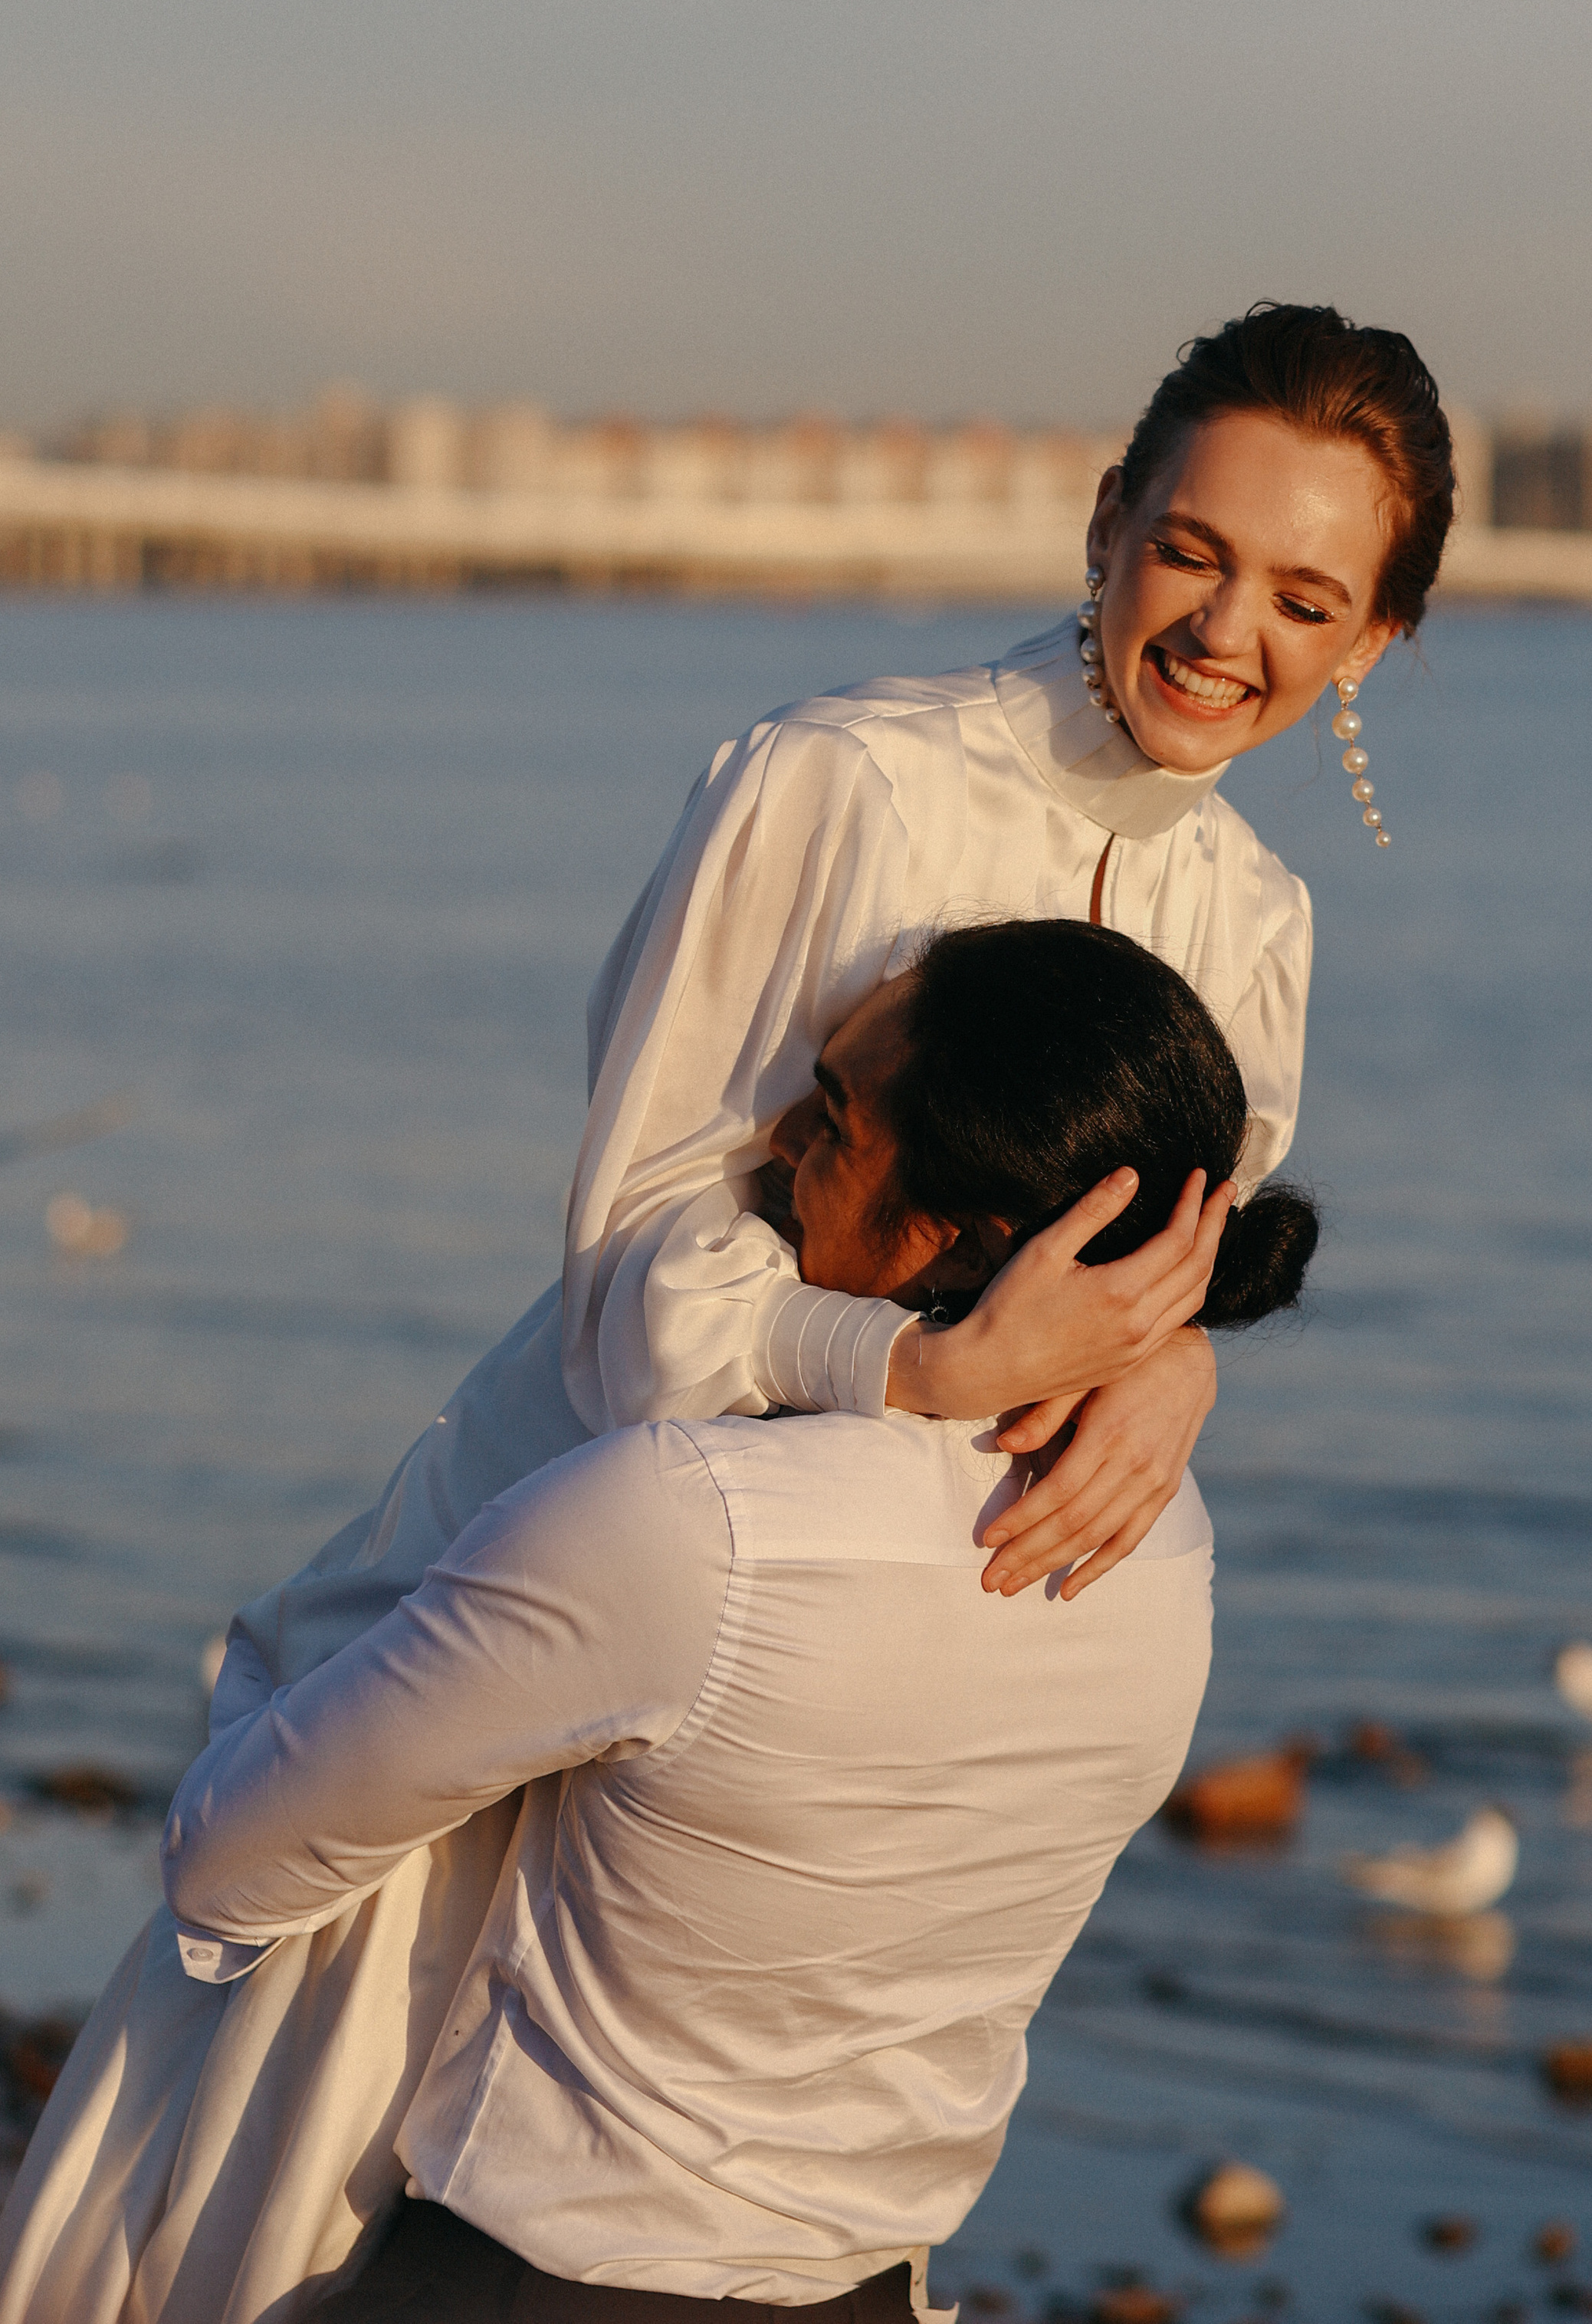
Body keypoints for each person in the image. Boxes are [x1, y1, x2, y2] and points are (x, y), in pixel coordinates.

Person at [0, 304, 1451, 2324]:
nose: (1224, 629)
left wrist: (1174, 1368)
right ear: (1107, 523)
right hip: (583, 1584)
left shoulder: (1260, 930)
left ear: (1374, 642)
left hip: (845, 1705)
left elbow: (1158, 1276)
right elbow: (626, 1268)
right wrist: (907, 1369)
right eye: (1191, 548)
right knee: (330, 2200)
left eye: (1305, 593)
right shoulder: (838, 785)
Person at [163, 921, 1318, 2319]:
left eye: (833, 1119)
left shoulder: (687, 1524)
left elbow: (225, 1860)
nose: (773, 1141)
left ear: (969, 1234)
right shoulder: (1164, 1548)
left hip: (542, 2285)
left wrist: (283, 1666)